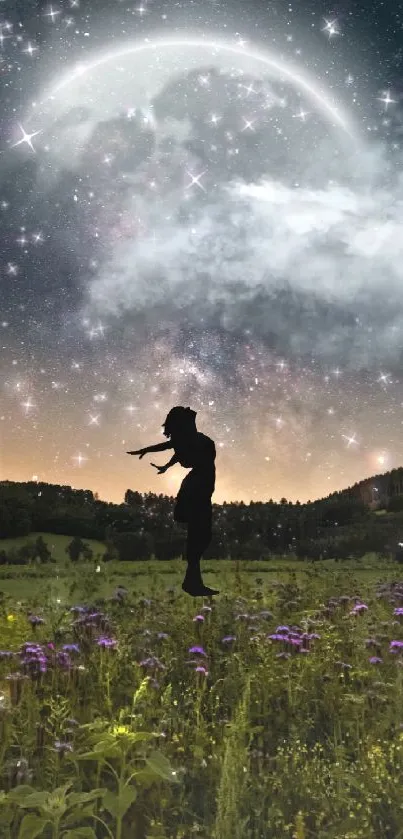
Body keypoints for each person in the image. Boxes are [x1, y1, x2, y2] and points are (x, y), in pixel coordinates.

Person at [127, 406, 219, 596]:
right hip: (197, 489)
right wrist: (147, 451)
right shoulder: (192, 440)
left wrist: (166, 465)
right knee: (199, 535)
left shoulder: (195, 441)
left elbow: (174, 449)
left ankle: (192, 581)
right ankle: (193, 583)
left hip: (199, 487)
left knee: (201, 536)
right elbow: (171, 447)